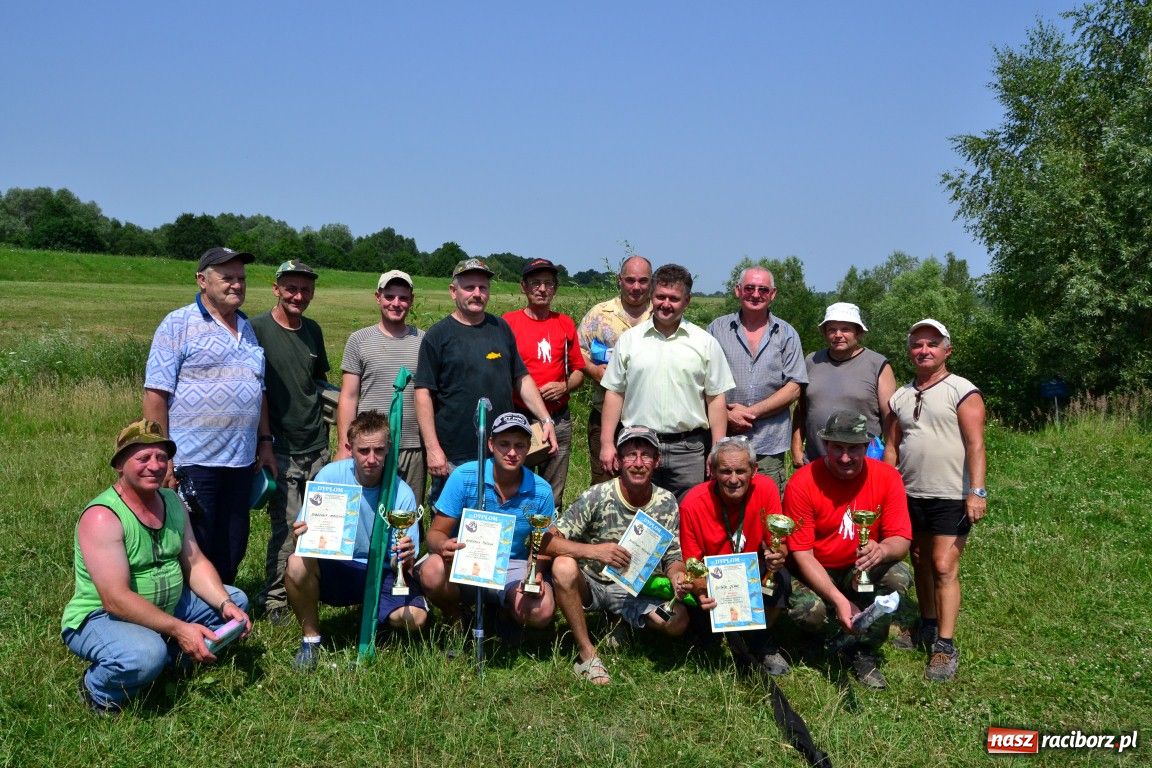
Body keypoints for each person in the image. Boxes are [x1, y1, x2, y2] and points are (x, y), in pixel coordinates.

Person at [62, 419, 251, 713]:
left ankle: (172, 662)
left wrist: (225, 603)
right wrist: (179, 629)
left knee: (237, 601)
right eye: (143, 457)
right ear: (120, 465)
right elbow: (115, 600)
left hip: (167, 605)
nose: (155, 465)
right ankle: (97, 689)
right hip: (101, 616)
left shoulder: (171, 501)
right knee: (145, 655)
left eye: (162, 457)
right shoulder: (102, 517)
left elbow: (196, 562)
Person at [143, 246, 276, 584]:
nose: (237, 285)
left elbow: (257, 390)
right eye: (227, 278)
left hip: (241, 462)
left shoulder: (247, 328)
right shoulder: (177, 324)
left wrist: (264, 443)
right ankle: (192, 619)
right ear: (202, 280)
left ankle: (225, 614)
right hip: (193, 461)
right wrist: (161, 454)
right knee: (193, 545)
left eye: (242, 279)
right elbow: (155, 394)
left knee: (232, 544)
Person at [542, 425, 692, 684]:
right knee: (563, 566)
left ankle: (620, 620)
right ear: (619, 461)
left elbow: (673, 555)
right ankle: (587, 654)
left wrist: (677, 575)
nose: (638, 463)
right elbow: (547, 543)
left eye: (646, 455)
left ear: (657, 461)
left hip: (636, 589)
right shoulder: (597, 495)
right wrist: (594, 551)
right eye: (630, 455)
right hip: (591, 584)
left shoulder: (666, 501)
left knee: (677, 621)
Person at [884, 319, 986, 682]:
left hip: (950, 495)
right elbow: (892, 446)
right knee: (918, 558)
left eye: (931, 344)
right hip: (909, 493)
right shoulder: (901, 396)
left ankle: (944, 646)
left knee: (943, 565)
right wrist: (887, 487)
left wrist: (977, 491)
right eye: (917, 344)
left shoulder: (963, 391)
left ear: (947, 350)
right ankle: (926, 622)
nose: (923, 350)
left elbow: (976, 444)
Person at [285, 410, 427, 670]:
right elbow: (304, 544)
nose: (372, 459)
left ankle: (378, 619)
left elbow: (405, 568)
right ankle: (311, 639)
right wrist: (302, 537)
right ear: (350, 448)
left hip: (380, 571)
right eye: (364, 451)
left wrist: (405, 557)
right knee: (295, 563)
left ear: (388, 450)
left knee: (415, 620)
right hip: (338, 565)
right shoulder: (329, 477)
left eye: (379, 451)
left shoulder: (401, 493)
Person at [784, 410, 912, 690]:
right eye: (837, 448)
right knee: (811, 611)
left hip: (858, 567)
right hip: (816, 568)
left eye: (853, 448)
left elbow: (901, 539)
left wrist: (883, 550)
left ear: (867, 446)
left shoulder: (888, 478)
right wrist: (839, 599)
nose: (845, 457)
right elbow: (802, 554)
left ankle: (863, 650)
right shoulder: (802, 482)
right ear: (825, 446)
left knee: (898, 577)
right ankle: (819, 635)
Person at [414, 258, 557, 503]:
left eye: (483, 288)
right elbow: (423, 393)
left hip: (500, 451)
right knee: (450, 522)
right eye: (469, 288)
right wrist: (433, 448)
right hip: (453, 453)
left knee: (494, 518)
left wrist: (546, 419)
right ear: (453, 291)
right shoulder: (438, 335)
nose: (477, 294)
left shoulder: (500, 328)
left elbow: (521, 378)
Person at [600, 263, 734, 499]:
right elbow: (614, 393)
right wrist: (607, 443)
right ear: (652, 296)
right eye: (660, 296)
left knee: (687, 518)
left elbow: (715, 399)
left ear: (687, 301)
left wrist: (718, 448)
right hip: (638, 446)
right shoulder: (630, 341)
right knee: (636, 517)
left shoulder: (705, 343)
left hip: (688, 450)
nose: (666, 304)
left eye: (674, 298)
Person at [418, 412, 556, 635]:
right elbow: (435, 534)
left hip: (512, 564)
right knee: (432, 571)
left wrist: (536, 571)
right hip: (466, 558)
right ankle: (457, 615)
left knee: (542, 611)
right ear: (491, 444)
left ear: (529, 447)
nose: (512, 452)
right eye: (504, 444)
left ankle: (504, 611)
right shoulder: (464, 476)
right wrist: (443, 546)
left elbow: (547, 544)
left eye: (520, 446)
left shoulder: (541, 490)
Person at [250, 259, 331, 624]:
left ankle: (311, 586)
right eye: (292, 288)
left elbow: (318, 384)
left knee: (319, 524)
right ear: (276, 288)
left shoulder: (312, 331)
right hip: (280, 447)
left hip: (317, 444)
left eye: (305, 289)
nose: (299, 295)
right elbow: (255, 391)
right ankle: (275, 601)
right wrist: (263, 442)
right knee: (286, 527)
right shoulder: (257, 330)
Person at [679, 437, 790, 676]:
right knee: (705, 636)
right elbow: (692, 562)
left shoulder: (767, 488)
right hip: (712, 577)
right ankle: (717, 635)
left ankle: (760, 641)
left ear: (754, 470)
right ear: (712, 471)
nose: (733, 479)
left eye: (741, 471)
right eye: (725, 471)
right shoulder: (692, 503)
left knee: (780, 579)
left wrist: (778, 556)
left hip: (751, 572)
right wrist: (700, 591)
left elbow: (778, 544)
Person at [708, 267, 807, 490]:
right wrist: (726, 415)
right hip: (724, 441)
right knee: (723, 512)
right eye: (749, 288)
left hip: (768, 446)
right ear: (737, 290)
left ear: (773, 294)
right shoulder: (716, 329)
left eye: (763, 289)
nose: (755, 294)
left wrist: (749, 414)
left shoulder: (787, 333)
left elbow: (794, 387)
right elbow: (702, 382)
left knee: (766, 513)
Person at [337, 269, 426, 505]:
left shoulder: (424, 341)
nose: (396, 303)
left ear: (411, 300)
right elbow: (348, 396)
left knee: (407, 513)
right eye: (389, 297)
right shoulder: (359, 340)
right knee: (366, 509)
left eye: (403, 298)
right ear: (378, 297)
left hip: (412, 446)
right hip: (370, 447)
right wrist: (345, 446)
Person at [502, 258, 586, 506]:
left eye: (548, 284)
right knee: (514, 484)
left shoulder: (564, 323)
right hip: (521, 417)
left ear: (555, 288)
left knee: (553, 492)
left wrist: (564, 386)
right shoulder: (509, 322)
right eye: (535, 283)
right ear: (523, 287)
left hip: (558, 417)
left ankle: (546, 537)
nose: (542, 289)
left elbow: (579, 371)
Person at [577, 255, 653, 486]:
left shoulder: (662, 315)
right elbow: (577, 350)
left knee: (644, 485)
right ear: (620, 280)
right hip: (606, 417)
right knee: (605, 485)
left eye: (643, 281)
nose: (636, 287)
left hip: (648, 418)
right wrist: (593, 370)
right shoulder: (599, 315)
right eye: (630, 280)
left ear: (651, 282)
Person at [792, 302, 896, 466]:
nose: (838, 335)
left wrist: (889, 459)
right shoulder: (811, 361)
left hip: (862, 464)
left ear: (859, 333)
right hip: (815, 463)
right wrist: (797, 448)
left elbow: (890, 417)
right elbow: (801, 410)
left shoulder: (877, 364)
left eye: (845, 329)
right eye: (832, 330)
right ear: (825, 333)